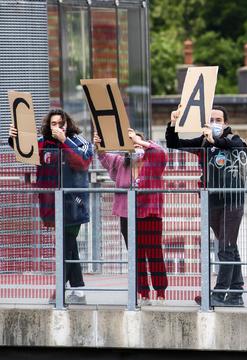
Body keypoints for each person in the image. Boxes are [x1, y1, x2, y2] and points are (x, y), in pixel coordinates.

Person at [9, 109, 93, 305]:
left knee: (66, 244)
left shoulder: (78, 141)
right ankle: (79, 291)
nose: (56, 127)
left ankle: (60, 292)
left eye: (60, 123)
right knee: (68, 246)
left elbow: (82, 161)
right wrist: (14, 138)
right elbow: (25, 151)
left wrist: (64, 140)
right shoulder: (42, 143)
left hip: (74, 203)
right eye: (53, 124)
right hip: (51, 203)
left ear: (67, 124)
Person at [166, 105, 247, 307]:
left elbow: (239, 149)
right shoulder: (203, 143)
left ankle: (219, 295)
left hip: (232, 200)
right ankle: (236, 293)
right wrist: (173, 123)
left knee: (225, 248)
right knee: (229, 247)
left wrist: (215, 140)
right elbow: (174, 143)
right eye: (211, 119)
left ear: (226, 123)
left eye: (218, 120)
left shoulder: (234, 140)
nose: (214, 123)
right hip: (213, 200)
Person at [95, 128, 168, 305]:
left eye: (139, 145)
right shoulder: (122, 163)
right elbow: (104, 157)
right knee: (136, 255)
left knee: (154, 253)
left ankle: (160, 292)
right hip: (127, 215)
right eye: (133, 145)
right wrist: (98, 144)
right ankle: (142, 292)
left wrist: (139, 140)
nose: (136, 148)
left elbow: (160, 152)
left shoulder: (153, 160)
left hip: (150, 214)